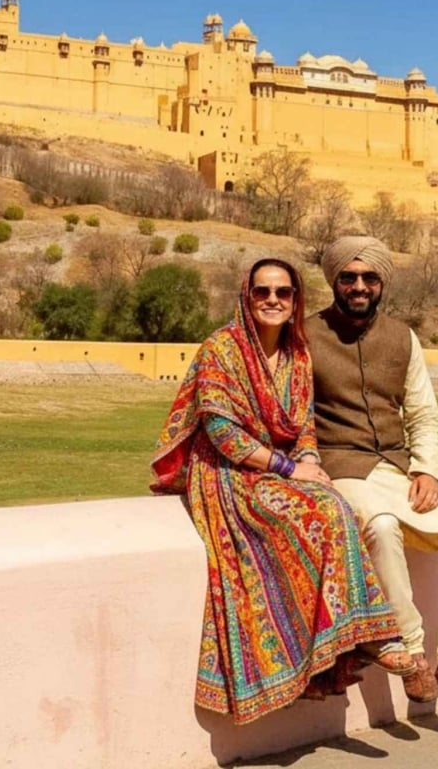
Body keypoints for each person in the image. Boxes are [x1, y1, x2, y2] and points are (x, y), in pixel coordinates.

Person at [151, 257, 415, 725]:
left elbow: (304, 426)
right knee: (320, 514)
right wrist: (290, 468)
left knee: (336, 506)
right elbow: (222, 433)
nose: (273, 300)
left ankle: (348, 643)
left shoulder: (297, 355)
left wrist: (309, 459)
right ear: (246, 296)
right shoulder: (222, 350)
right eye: (263, 292)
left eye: (283, 293)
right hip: (227, 472)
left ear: (296, 301)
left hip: (281, 468)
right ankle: (368, 638)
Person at [305, 236, 438, 706]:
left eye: (369, 278)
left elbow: (422, 413)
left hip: (396, 466)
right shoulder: (307, 335)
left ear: (381, 284)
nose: (359, 286)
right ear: (334, 280)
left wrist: (428, 471)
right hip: (341, 465)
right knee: (380, 525)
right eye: (349, 278)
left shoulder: (403, 337)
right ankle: (411, 653)